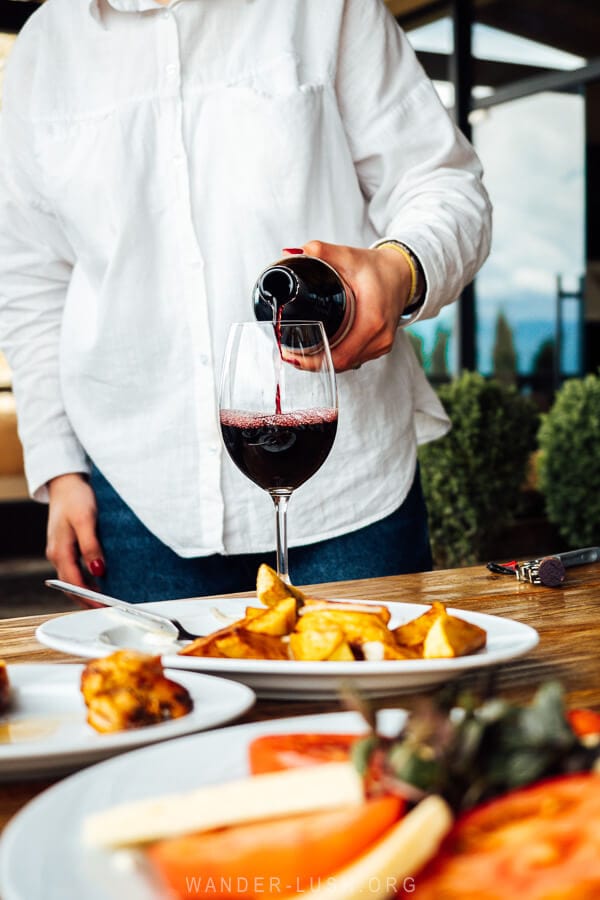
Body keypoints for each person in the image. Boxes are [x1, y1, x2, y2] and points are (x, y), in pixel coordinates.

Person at [0, 0, 491, 603]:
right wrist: (58, 466)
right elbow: (29, 279)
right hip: (135, 498)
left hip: (346, 486)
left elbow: (441, 182)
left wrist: (399, 269)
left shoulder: (325, 8)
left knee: (370, 700)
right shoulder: (44, 48)